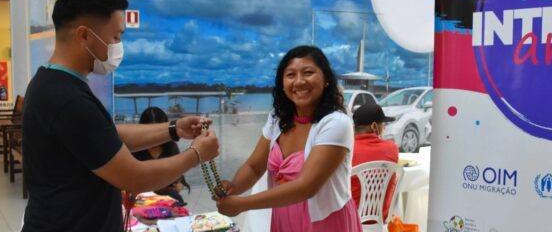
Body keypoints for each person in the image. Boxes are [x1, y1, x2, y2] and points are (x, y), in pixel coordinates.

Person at [21, 0, 220, 232]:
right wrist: (197, 154)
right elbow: (135, 176)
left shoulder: (51, 82)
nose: (118, 46)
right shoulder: (69, 100)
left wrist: (174, 129)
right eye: (115, 37)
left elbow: (106, 136)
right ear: (84, 35)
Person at [216, 45, 362, 232]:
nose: (299, 81)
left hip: (325, 222)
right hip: (284, 217)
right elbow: (254, 167)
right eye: (291, 75)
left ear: (326, 79)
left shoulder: (336, 123)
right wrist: (233, 188)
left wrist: (242, 204)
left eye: (308, 72)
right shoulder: (277, 118)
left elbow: (306, 187)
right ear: (282, 84)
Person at [132, 107, 192, 205]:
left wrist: (179, 184)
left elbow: (178, 173)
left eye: (158, 130)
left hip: (166, 195)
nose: (154, 136)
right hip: (141, 196)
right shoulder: (134, 147)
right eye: (149, 130)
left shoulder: (171, 146)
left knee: (176, 198)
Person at [350, 102, 399, 222]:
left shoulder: (346, 150)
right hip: (380, 218)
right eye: (382, 124)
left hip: (350, 219)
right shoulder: (391, 148)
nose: (384, 128)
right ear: (374, 126)